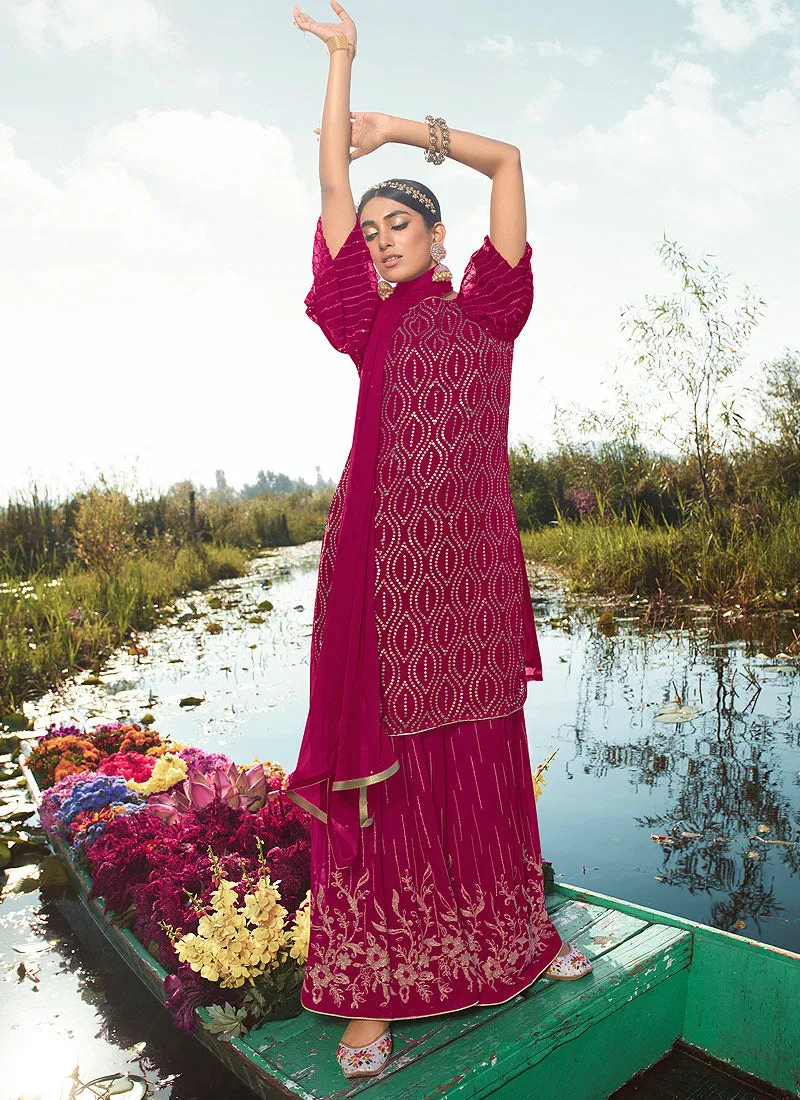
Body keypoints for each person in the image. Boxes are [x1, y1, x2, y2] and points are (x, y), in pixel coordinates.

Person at [288, 0, 593, 1081]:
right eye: (369, 235)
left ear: (436, 239)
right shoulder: (364, 323)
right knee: (382, 780)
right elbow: (330, 188)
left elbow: (508, 161)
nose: (375, 241)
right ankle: (369, 996)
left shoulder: (487, 313)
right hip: (378, 574)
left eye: (396, 226)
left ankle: (509, 940)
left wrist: (408, 133)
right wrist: (338, 66)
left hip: (466, 582)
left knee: (479, 762)